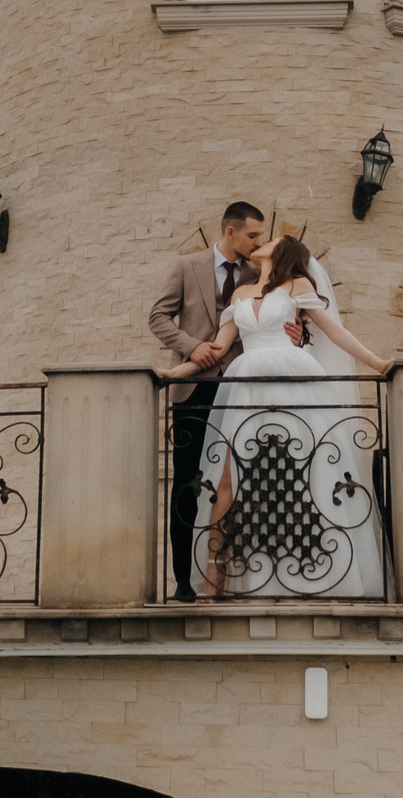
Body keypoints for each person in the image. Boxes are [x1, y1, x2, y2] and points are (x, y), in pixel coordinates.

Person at [171, 235, 392, 598]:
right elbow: (217, 348)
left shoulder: (297, 285)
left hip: (292, 383)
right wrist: (172, 374)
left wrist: (378, 363)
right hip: (246, 386)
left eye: (270, 238)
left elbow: (334, 332)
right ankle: (214, 575)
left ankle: (314, 570)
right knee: (228, 480)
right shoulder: (240, 294)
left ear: (284, 251)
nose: (261, 240)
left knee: (302, 473)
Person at [148, 201, 279, 602]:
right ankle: (183, 583)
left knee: (238, 481)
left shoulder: (259, 275)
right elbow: (158, 318)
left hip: (241, 390)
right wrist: (192, 347)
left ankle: (233, 577)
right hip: (193, 390)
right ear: (230, 231)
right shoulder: (186, 267)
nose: (257, 242)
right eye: (252, 235)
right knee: (188, 483)